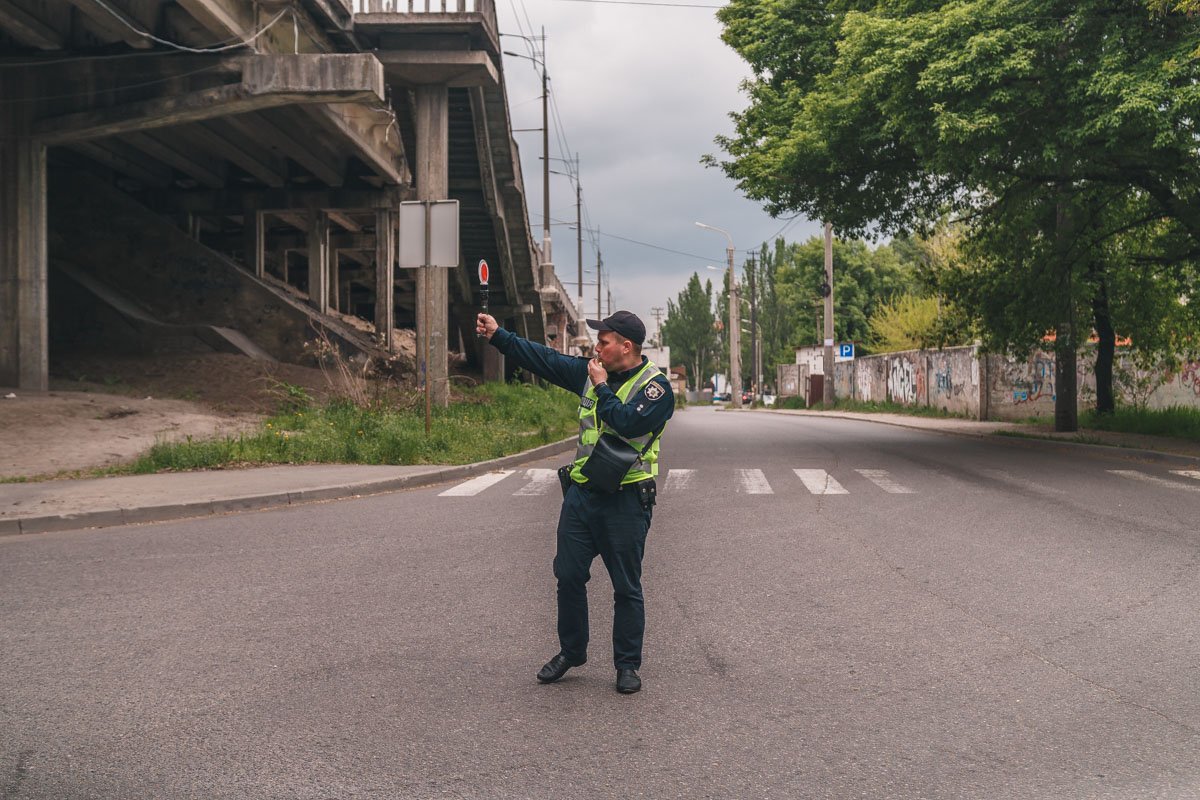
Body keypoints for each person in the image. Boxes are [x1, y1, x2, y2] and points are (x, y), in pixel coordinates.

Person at [475, 310, 674, 694]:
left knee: (626, 586)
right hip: (582, 495)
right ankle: (572, 651)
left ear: (626, 347)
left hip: (627, 500)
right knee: (567, 576)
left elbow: (627, 424)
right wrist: (500, 336)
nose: (596, 348)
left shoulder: (656, 389)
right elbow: (545, 360)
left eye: (603, 341)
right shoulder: (590, 370)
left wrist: (601, 388)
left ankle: (627, 665)